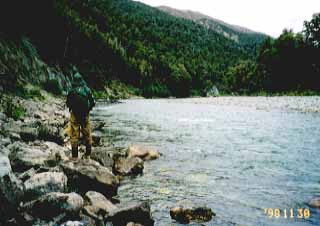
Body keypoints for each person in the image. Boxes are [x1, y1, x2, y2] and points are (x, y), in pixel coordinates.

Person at [66, 67, 95, 159]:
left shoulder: (71, 90)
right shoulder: (86, 89)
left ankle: (75, 156)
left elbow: (68, 103)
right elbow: (93, 102)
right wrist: (88, 110)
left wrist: (71, 108)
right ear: (82, 79)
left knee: (74, 134)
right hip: (85, 114)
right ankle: (88, 154)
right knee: (87, 133)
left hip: (74, 114)